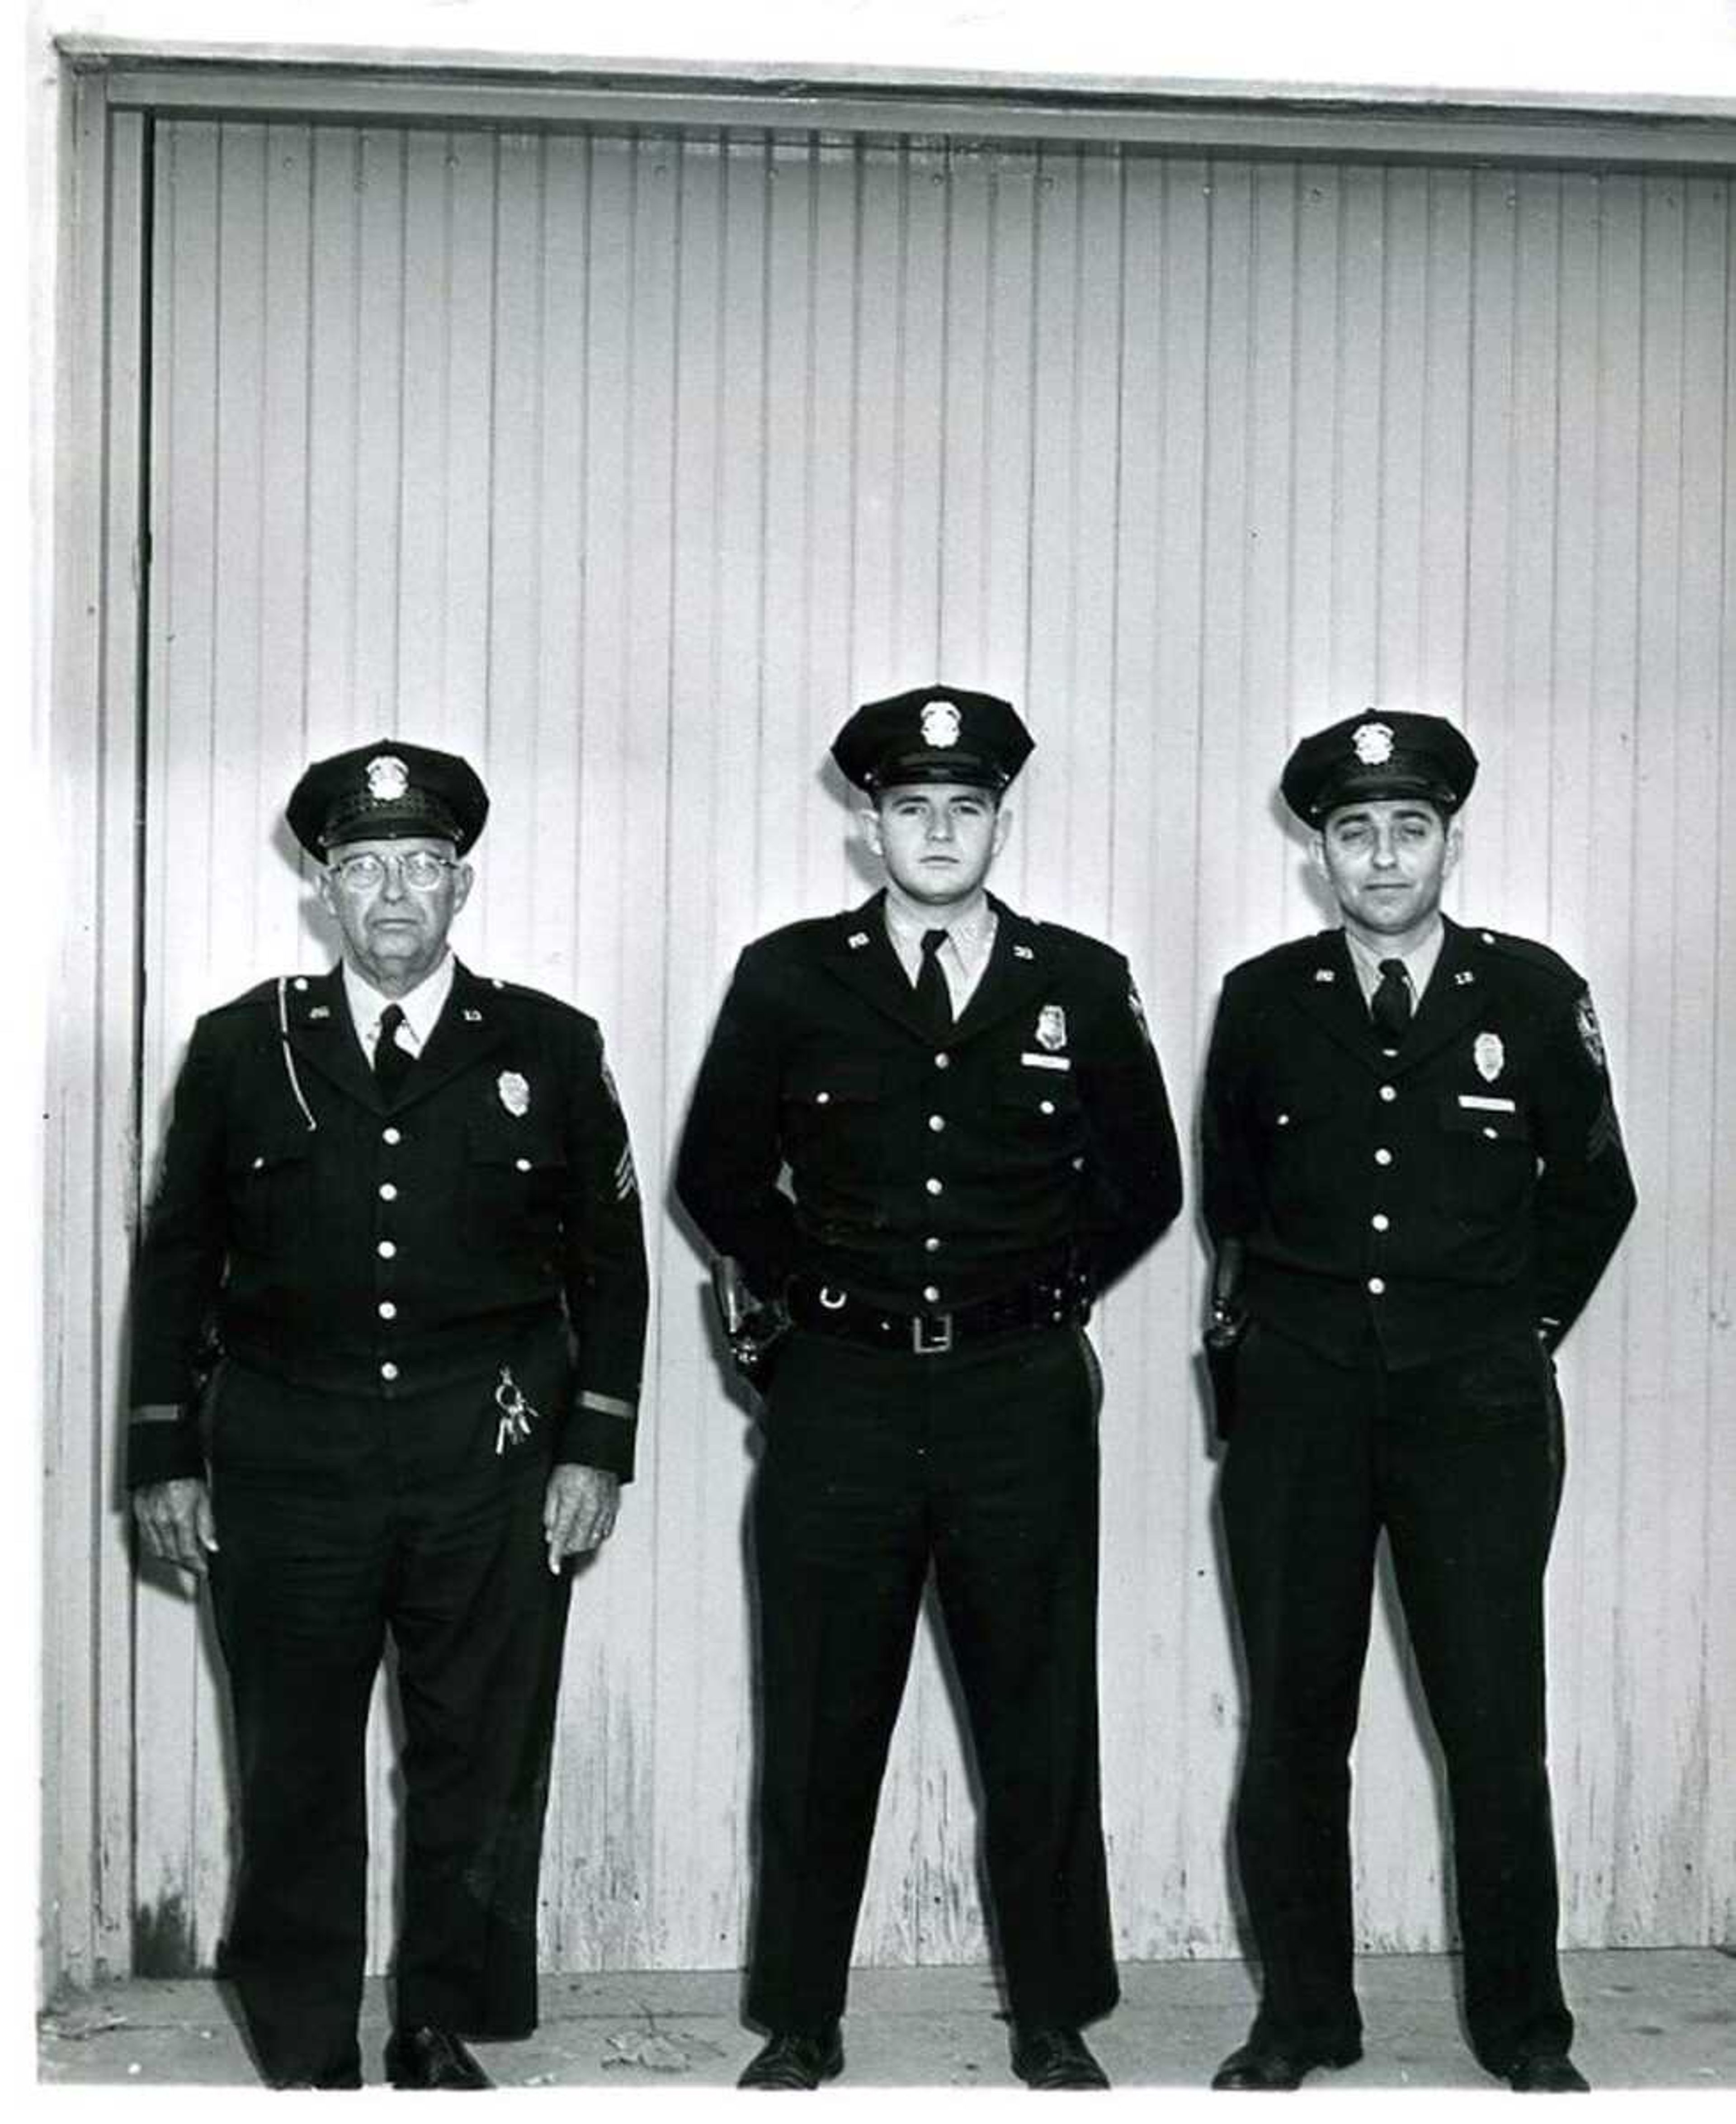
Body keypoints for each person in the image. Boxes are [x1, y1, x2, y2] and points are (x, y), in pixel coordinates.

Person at [676, 684, 1182, 2091]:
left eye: (966, 807)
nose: (939, 830)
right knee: (823, 1706)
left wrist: (1048, 1290)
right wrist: (797, 1309)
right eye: (911, 807)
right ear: (869, 826)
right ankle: (801, 2014)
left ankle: (1054, 2011)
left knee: (1037, 1703)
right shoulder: (789, 975)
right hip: (842, 1392)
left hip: (1018, 1396)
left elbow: (1148, 1179)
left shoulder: (1080, 978)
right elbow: (718, 1173)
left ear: (1001, 822)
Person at [127, 739, 649, 2090]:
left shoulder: (549, 1043)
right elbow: (178, 1256)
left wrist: (595, 1442)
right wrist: (162, 1449)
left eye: (423, 865)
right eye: (363, 868)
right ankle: (306, 2041)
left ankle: (438, 2018)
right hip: (288, 1455)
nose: (396, 894)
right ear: (324, 892)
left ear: (462, 886)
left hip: (489, 1451)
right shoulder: (246, 1043)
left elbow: (613, 1264)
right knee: (294, 1752)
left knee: (477, 1751)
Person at [1201, 710, 1636, 2094]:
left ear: (1451, 837)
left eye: (1409, 826)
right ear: (1318, 850)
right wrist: (1277, 1351)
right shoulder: (1268, 999)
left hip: (1477, 1413)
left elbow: (1595, 1190)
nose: (1382, 855)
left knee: (1495, 1726)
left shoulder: (1530, 990)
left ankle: (1526, 2031)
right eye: (1353, 830)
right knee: (1292, 1723)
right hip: (1305, 1405)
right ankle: (1304, 2016)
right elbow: (1235, 1198)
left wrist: (1517, 1336)